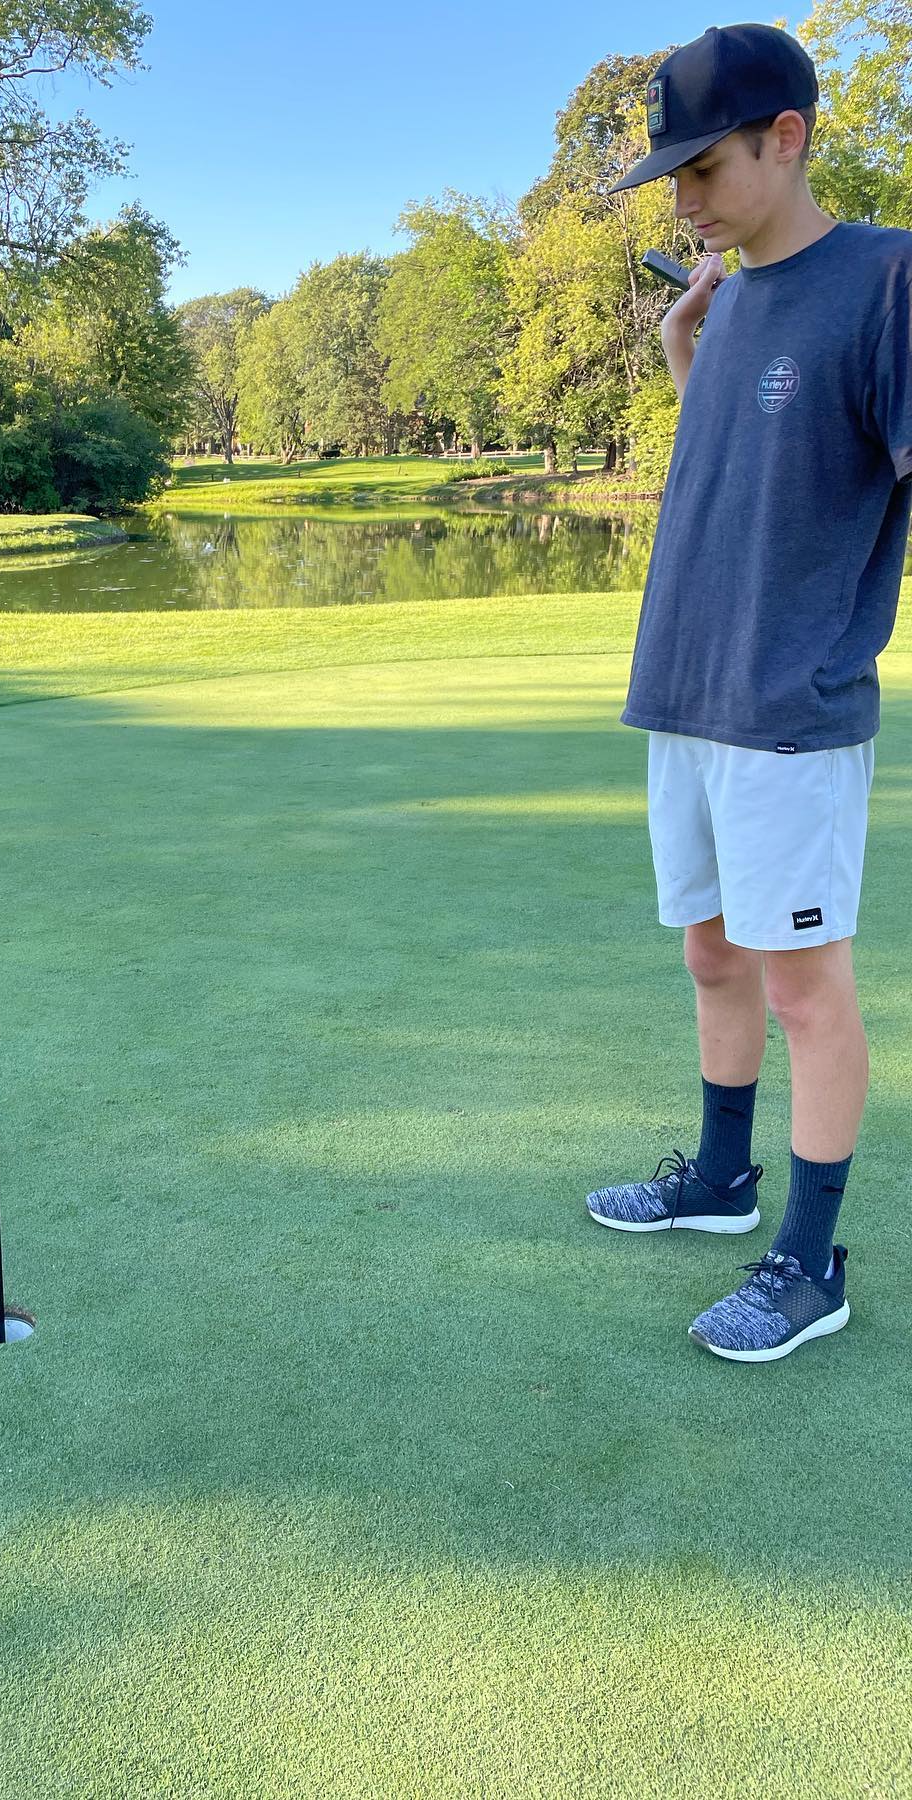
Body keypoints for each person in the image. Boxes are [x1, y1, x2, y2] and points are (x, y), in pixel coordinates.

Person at [584, 24, 912, 1363]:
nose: (682, 198)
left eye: (703, 166)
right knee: (713, 957)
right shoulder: (722, 304)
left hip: (789, 710)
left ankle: (809, 1261)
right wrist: (687, 366)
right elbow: (747, 486)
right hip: (688, 693)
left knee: (804, 991)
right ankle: (722, 1184)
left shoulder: (887, 279)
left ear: (788, 137)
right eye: (669, 174)